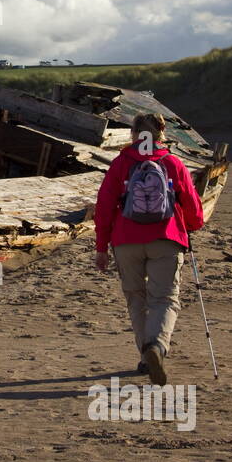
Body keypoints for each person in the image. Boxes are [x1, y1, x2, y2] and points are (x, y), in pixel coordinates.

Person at [93, 112, 204, 384]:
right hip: (165, 238)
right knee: (164, 299)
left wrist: (101, 248)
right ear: (161, 134)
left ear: (133, 134)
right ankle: (156, 347)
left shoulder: (120, 163)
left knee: (136, 298)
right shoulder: (173, 163)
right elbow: (194, 212)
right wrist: (188, 226)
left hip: (125, 240)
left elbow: (104, 207)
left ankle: (146, 357)